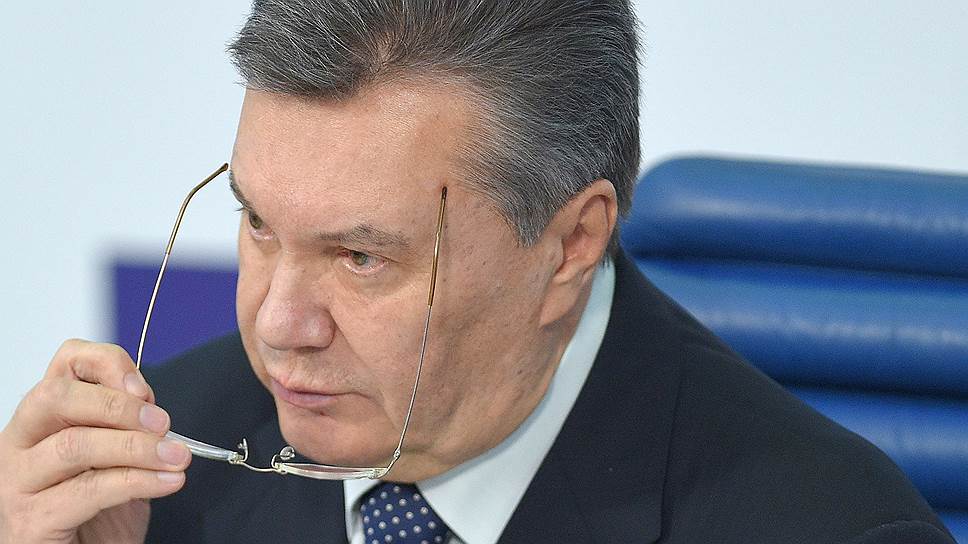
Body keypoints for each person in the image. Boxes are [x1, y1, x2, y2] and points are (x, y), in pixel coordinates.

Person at [0, 1, 955, 543]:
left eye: (361, 256)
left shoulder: (830, 531)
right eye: (258, 223)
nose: (278, 326)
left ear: (571, 244)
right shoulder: (150, 478)